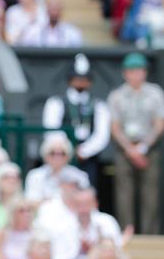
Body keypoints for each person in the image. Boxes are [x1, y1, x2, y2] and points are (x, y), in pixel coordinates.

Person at [107, 53, 164, 234]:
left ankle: (150, 234)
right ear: (125, 73)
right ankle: (126, 232)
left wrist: (143, 147)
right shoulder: (117, 96)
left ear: (145, 72)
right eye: (131, 71)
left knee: (150, 193)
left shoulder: (155, 93)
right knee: (124, 193)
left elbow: (160, 123)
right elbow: (115, 127)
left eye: (139, 71)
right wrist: (130, 149)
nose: (135, 75)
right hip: (124, 149)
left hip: (149, 147)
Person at [41, 53, 111, 187]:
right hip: (60, 154)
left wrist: (84, 151)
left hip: (88, 157)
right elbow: (51, 128)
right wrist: (67, 150)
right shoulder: (56, 102)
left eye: (84, 79)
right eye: (77, 79)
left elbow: (102, 134)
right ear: (69, 80)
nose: (80, 82)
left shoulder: (99, 105)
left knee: (87, 189)